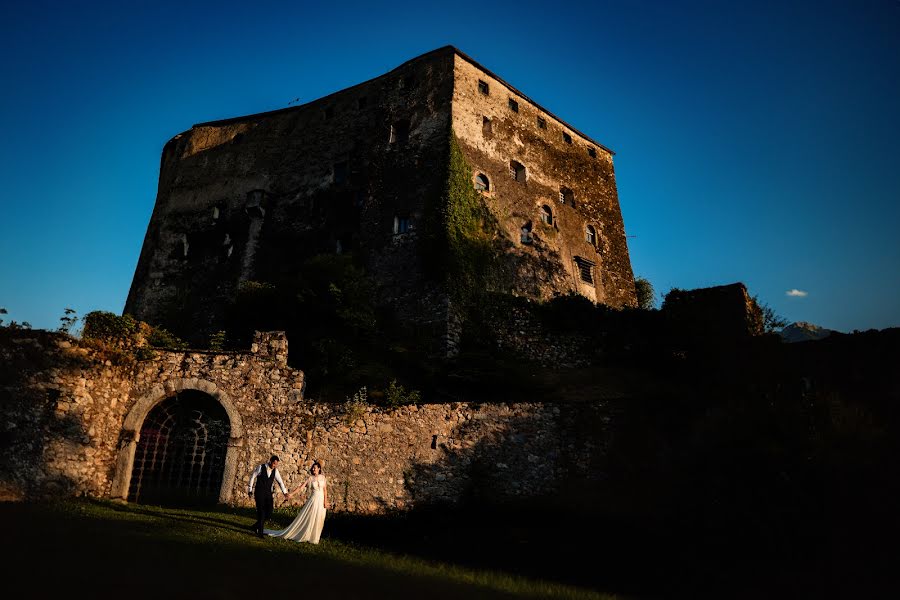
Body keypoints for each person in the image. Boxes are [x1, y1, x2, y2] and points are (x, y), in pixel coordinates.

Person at [266, 460, 328, 544]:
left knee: (319, 518)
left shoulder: (323, 477)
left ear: (319, 469)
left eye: (315, 468)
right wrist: (291, 494)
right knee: (312, 517)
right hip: (314, 500)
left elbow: (325, 490)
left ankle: (315, 538)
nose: (313, 469)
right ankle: (307, 535)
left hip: (321, 501)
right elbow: (300, 487)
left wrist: (325, 502)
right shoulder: (310, 478)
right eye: (313, 468)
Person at [247, 455, 289, 538]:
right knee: (261, 512)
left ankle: (256, 526)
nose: (275, 466)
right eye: (274, 463)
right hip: (259, 493)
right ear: (270, 461)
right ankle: (260, 533)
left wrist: (285, 493)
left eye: (276, 464)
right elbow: (252, 477)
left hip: (268, 494)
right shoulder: (261, 467)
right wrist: (250, 490)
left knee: (269, 512)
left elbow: (280, 482)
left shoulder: (275, 471)